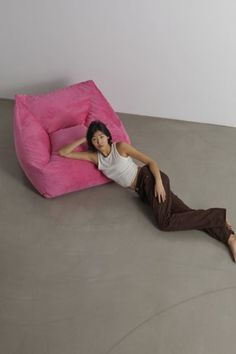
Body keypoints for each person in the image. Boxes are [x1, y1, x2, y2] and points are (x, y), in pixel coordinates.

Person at [58, 120, 236, 262]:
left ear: (108, 136)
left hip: (150, 179)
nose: (99, 141)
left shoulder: (120, 147)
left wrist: (158, 182)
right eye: (95, 139)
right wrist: (84, 137)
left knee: (164, 223)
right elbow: (64, 153)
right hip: (142, 192)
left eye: (101, 137)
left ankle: (217, 216)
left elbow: (151, 162)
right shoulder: (95, 157)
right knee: (186, 213)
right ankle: (229, 238)